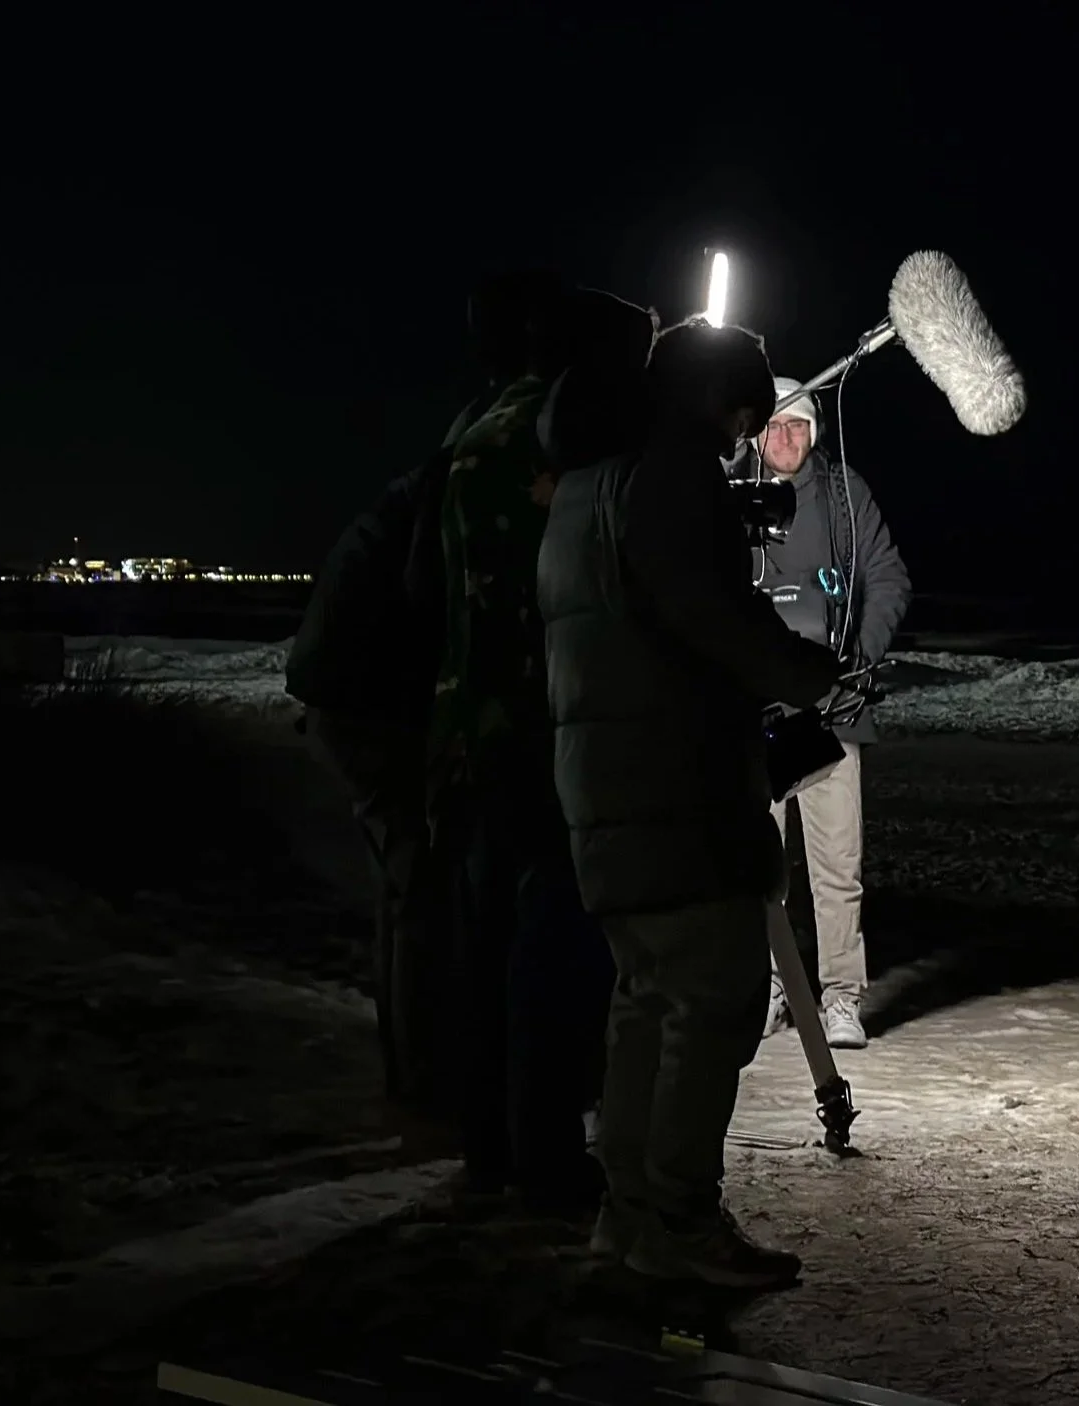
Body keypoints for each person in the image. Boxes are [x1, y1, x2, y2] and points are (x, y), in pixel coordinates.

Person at [538, 323, 845, 1290]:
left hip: (604, 785)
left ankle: (626, 1216)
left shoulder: (586, 482)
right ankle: (678, 1221)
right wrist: (807, 673)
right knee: (712, 1002)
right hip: (674, 788)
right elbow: (711, 616)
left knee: (645, 1004)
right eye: (741, 415)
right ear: (716, 397)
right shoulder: (669, 476)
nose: (741, 439)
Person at [283, 270, 568, 1122]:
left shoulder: (477, 427)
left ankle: (422, 1077)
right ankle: (425, 1089)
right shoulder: (502, 440)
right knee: (419, 889)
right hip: (364, 690)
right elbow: (429, 587)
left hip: (345, 678)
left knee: (410, 887)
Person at [427, 278, 651, 1210]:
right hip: (546, 722)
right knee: (554, 951)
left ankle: (491, 1151)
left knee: (484, 951)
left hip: (469, 723)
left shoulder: (468, 433)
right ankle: (550, 1156)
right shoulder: (563, 440)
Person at [750, 377, 912, 1049]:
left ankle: (841, 995)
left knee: (836, 866)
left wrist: (861, 661)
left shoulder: (846, 496)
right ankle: (770, 988)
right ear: (755, 433)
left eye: (799, 427)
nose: (786, 439)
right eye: (773, 427)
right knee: (756, 865)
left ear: (815, 432)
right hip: (753, 713)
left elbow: (889, 578)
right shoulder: (734, 496)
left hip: (832, 711)